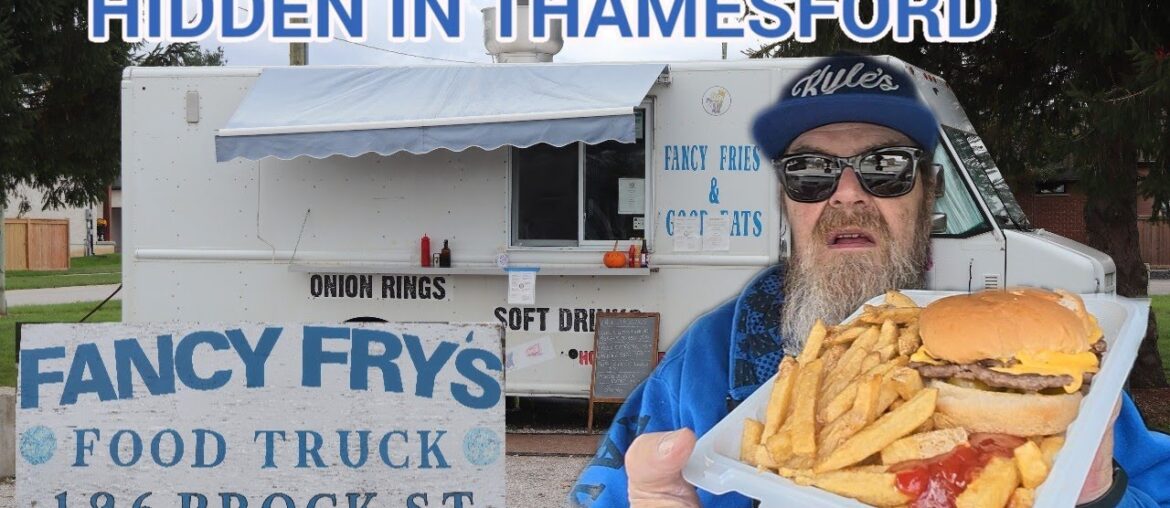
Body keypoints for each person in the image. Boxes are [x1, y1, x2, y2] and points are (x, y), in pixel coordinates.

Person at [570, 55, 1170, 508]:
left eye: (885, 168)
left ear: (928, 196)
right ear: (788, 203)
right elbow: (601, 486)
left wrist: (1098, 494)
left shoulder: (1019, 367)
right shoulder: (702, 358)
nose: (847, 194)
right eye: (810, 172)